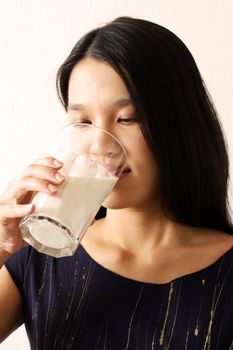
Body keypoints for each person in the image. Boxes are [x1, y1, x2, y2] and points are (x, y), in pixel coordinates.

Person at [0, 16, 232, 350]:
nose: (99, 145)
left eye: (127, 118)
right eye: (82, 121)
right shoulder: (39, 256)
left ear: (179, 124)